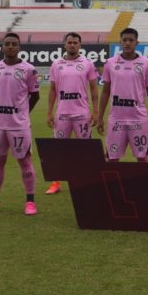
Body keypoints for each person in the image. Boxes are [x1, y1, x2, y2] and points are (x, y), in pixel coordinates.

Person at [0, 33, 41, 216]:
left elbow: (35, 95)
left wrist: (22, 113)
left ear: (19, 47)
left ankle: (30, 202)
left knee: (25, 162)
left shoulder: (28, 69)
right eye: (7, 44)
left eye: (14, 44)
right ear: (2, 47)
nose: (11, 47)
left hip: (19, 125)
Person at [45, 32, 99, 194]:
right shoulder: (56, 64)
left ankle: (87, 178)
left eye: (75, 42)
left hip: (82, 114)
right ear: (64, 44)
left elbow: (94, 90)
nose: (72, 45)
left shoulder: (88, 63)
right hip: (62, 114)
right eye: (69, 42)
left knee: (84, 149)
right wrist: (49, 112)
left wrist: (95, 112)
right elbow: (53, 90)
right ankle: (56, 182)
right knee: (59, 149)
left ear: (80, 45)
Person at [96, 28, 148, 162]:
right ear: (120, 42)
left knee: (142, 158)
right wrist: (100, 117)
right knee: (113, 159)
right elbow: (105, 91)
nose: (127, 43)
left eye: (131, 40)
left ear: (137, 42)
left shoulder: (146, 63)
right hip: (116, 120)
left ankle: (142, 183)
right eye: (124, 40)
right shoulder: (110, 63)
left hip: (138, 120)